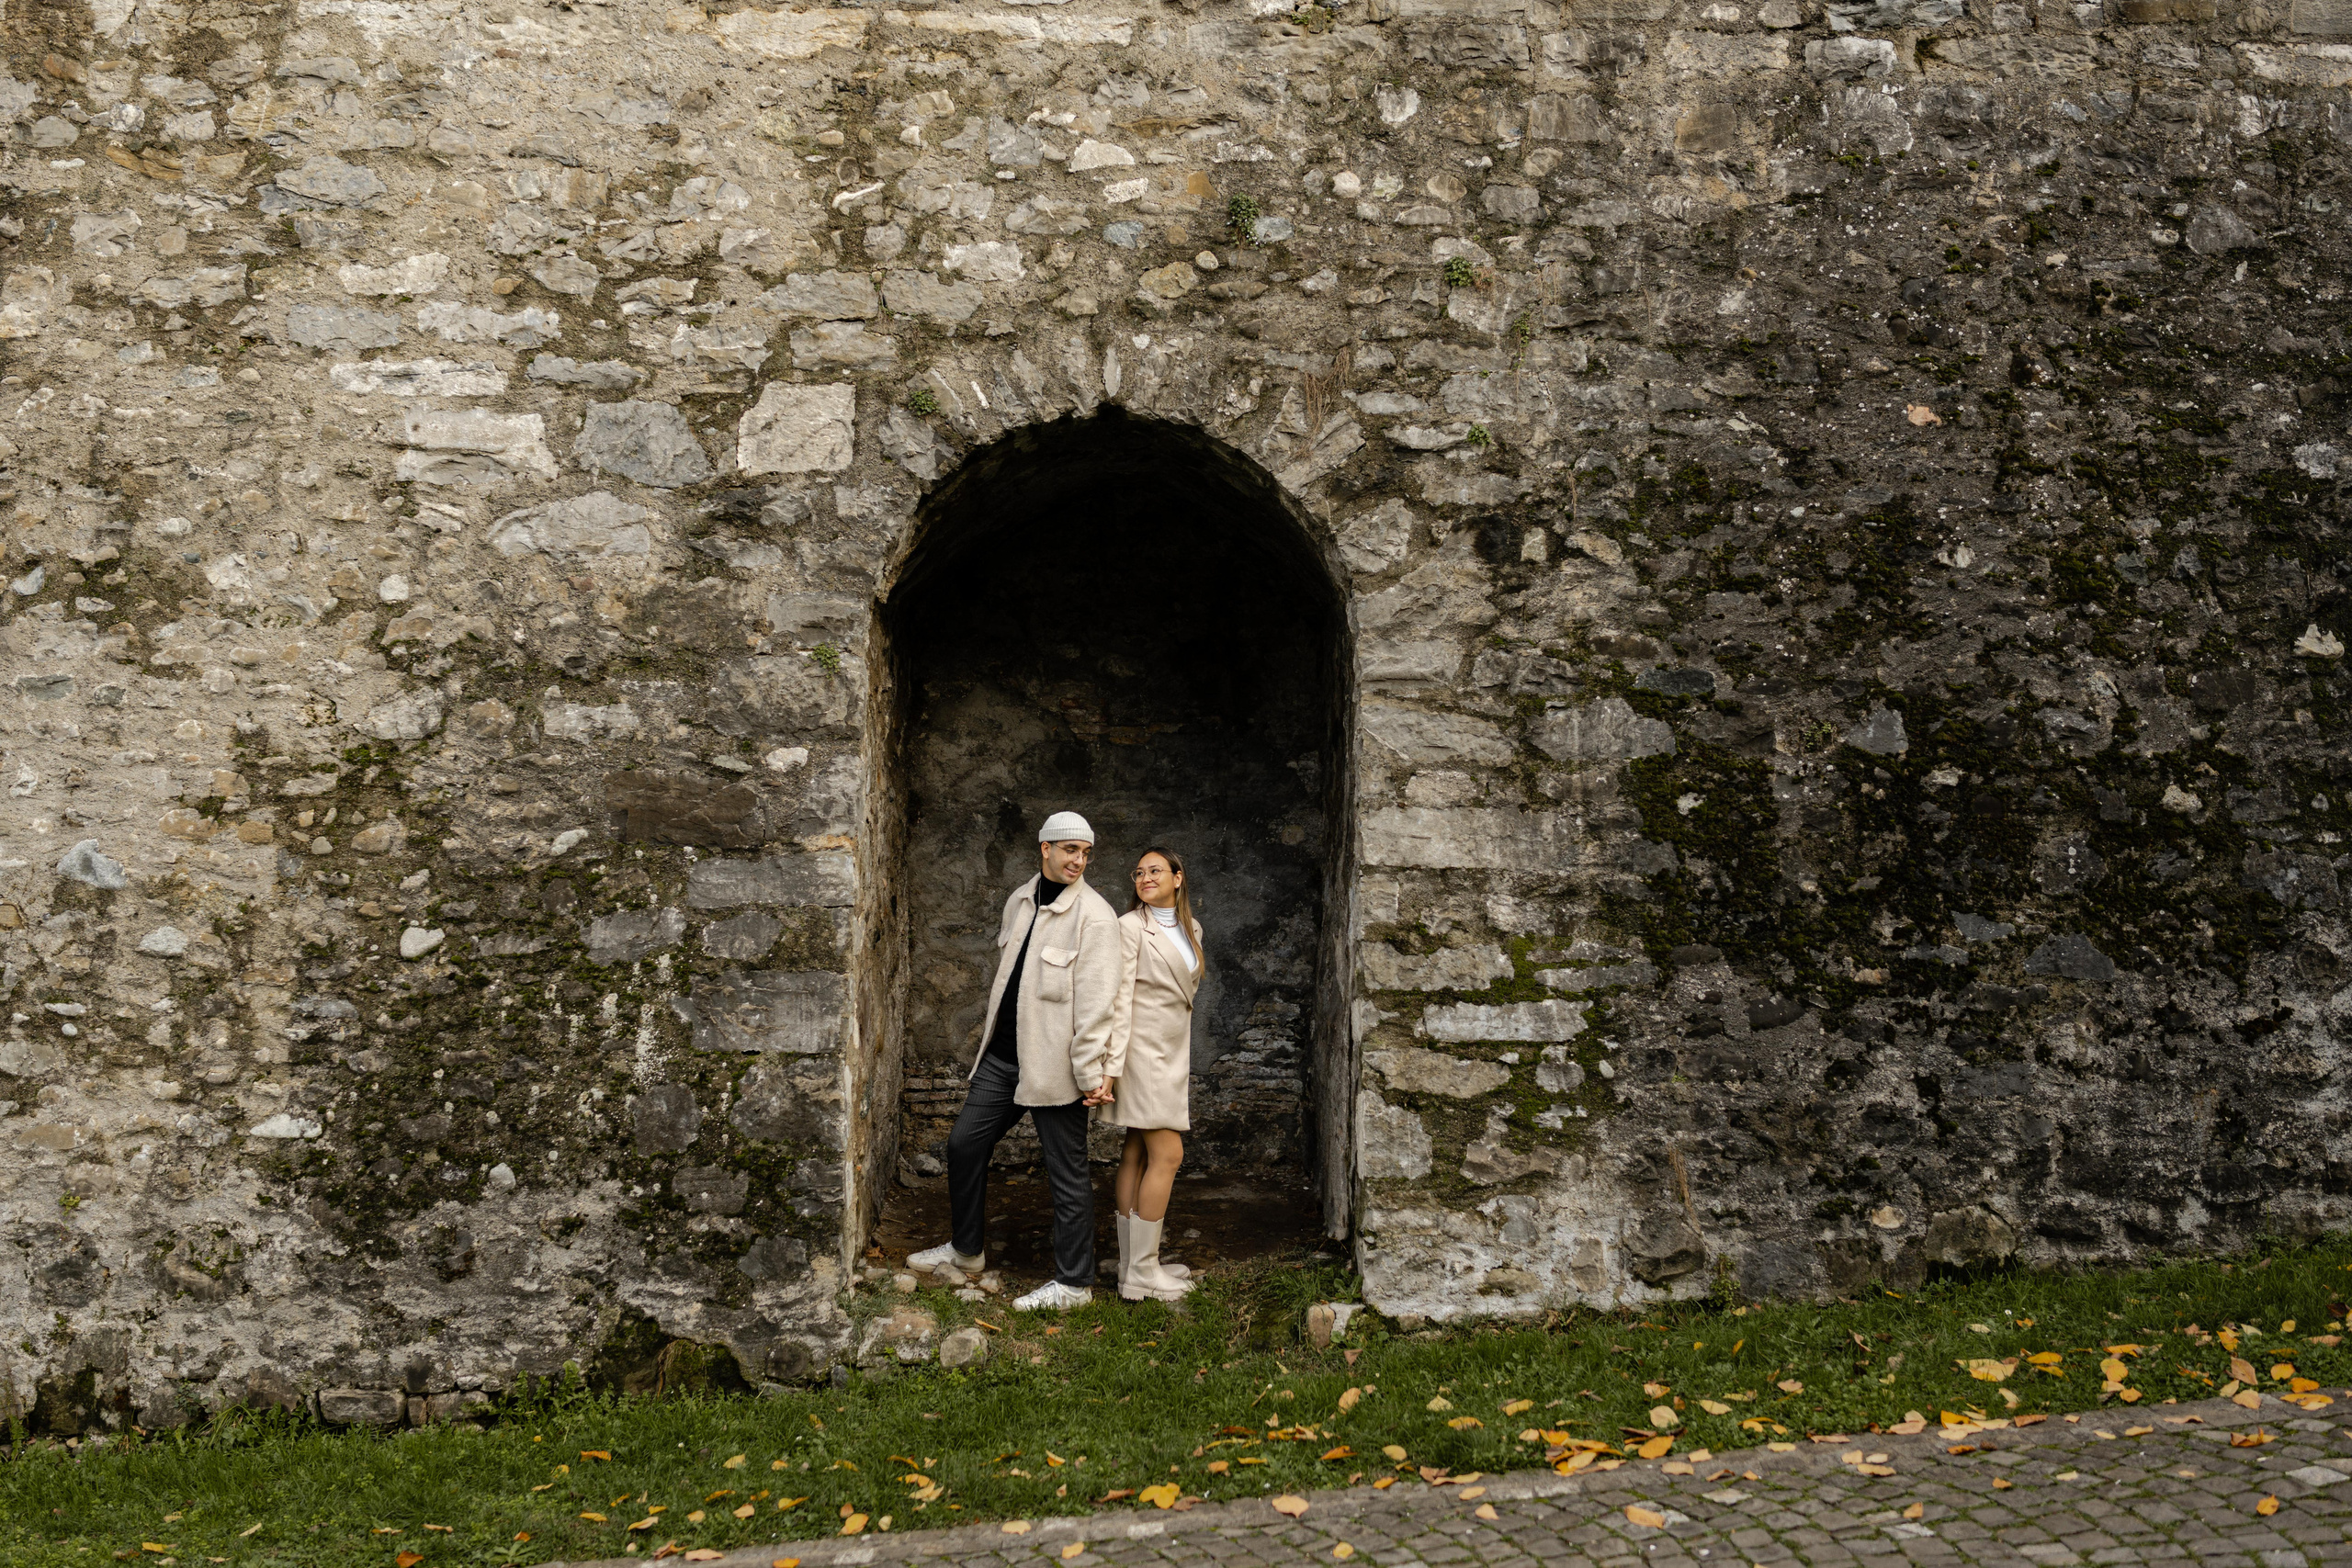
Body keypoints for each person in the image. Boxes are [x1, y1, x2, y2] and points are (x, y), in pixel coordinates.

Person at [907, 811, 1121, 1311]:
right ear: (1044, 848)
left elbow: (1096, 1009)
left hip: (1054, 1067)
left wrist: (1090, 1075)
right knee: (963, 1145)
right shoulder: (1020, 901)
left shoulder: (1096, 918)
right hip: (1004, 1059)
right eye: (1070, 850)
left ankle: (1074, 1283)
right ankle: (966, 1251)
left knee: (1064, 1172)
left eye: (1086, 853)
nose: (1079, 861)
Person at [1102, 847, 1203, 1303]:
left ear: (1177, 878)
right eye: (1139, 872)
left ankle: (1131, 1264)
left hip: (1171, 1052)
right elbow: (1118, 998)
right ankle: (1142, 1272)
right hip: (1142, 1054)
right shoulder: (1128, 928)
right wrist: (1111, 1065)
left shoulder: (1191, 928)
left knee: (1137, 1152)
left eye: (1155, 870)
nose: (1145, 877)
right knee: (1168, 1155)